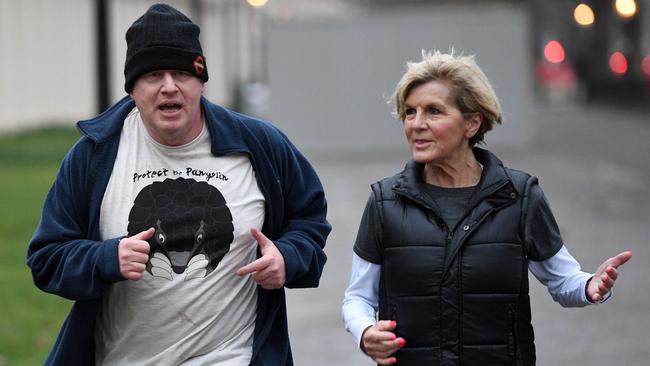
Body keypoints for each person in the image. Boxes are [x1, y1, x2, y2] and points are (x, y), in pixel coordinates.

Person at [27, 4, 330, 366]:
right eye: (154, 74)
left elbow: (309, 221)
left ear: (200, 81)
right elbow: (46, 258)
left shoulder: (260, 146)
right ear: (133, 88)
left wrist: (288, 258)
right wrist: (106, 258)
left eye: (182, 74)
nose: (169, 87)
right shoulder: (94, 157)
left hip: (231, 356)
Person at [341, 50, 632, 366]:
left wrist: (592, 286)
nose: (417, 124)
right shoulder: (385, 202)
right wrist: (365, 331)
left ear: (471, 123)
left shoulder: (520, 197)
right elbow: (358, 297)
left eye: (433, 111)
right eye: (410, 112)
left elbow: (563, 281)